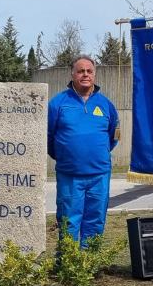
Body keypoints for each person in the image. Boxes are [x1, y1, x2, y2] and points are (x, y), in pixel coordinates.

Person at [47, 54, 119, 246]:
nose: (85, 74)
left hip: (99, 175)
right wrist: (65, 155)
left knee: (95, 221)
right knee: (68, 221)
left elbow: (114, 136)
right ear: (72, 74)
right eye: (81, 71)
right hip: (70, 176)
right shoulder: (57, 103)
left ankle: (89, 266)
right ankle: (69, 266)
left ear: (94, 74)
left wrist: (99, 153)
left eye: (89, 71)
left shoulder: (106, 105)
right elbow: (48, 136)